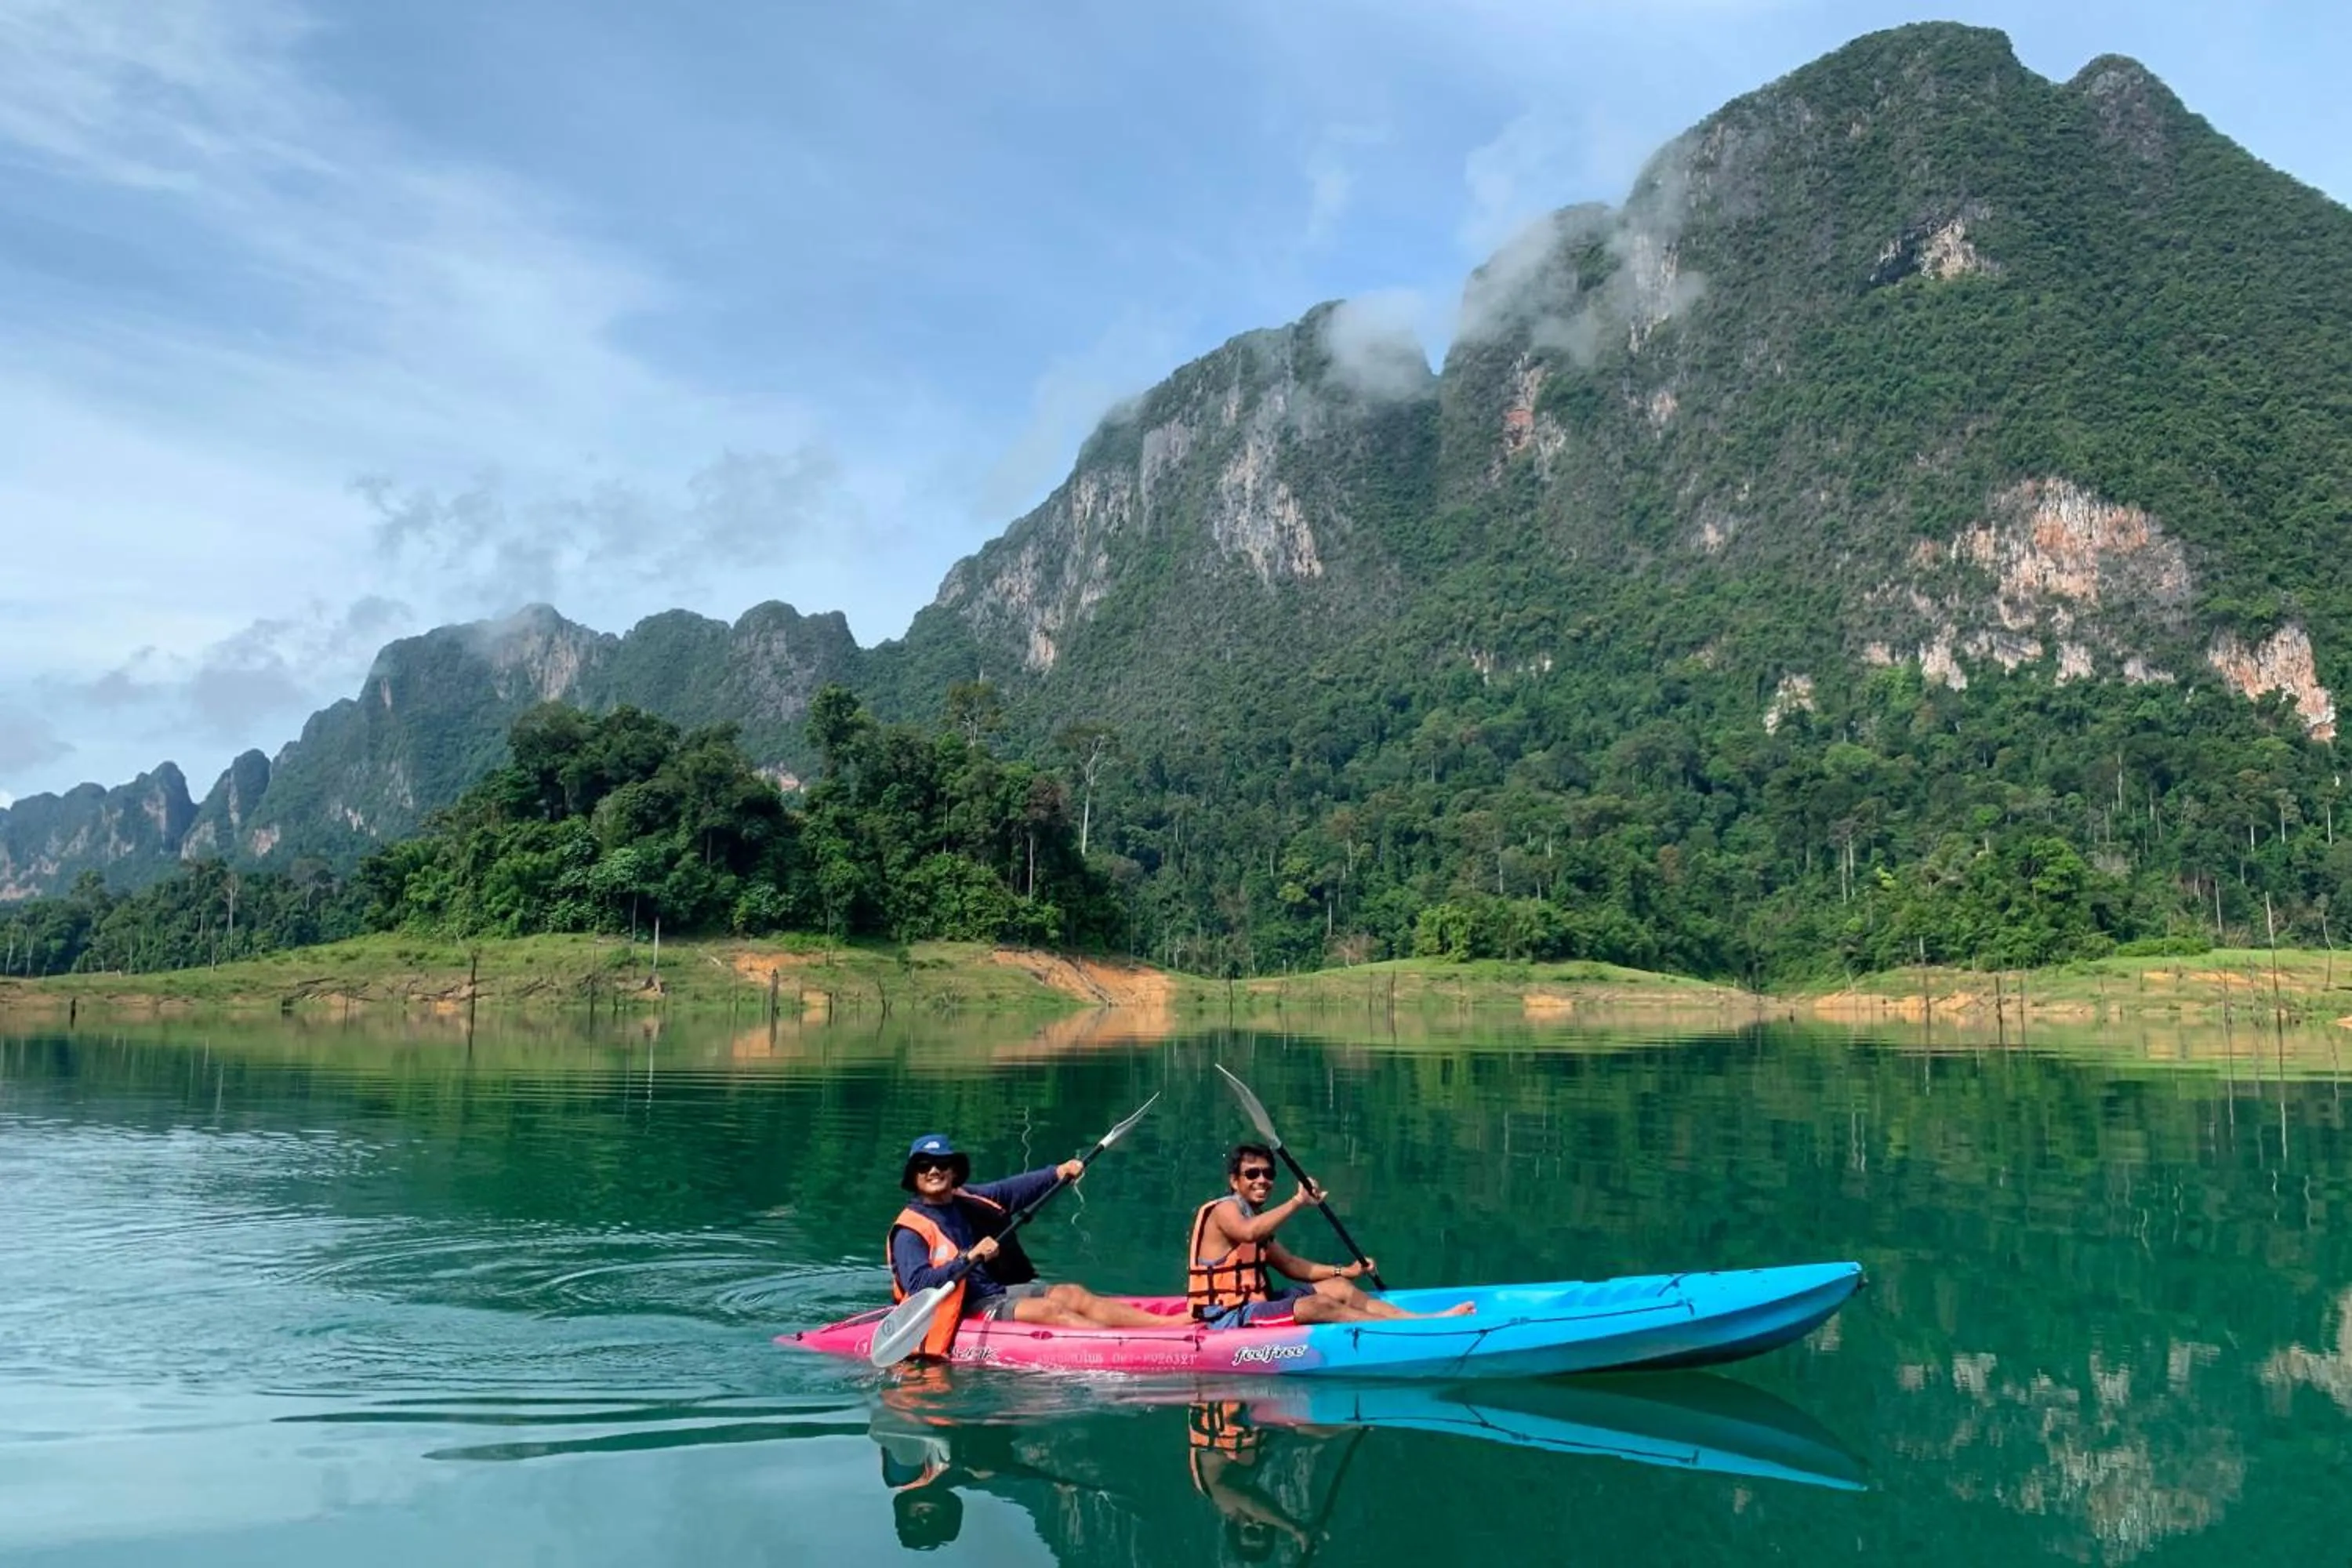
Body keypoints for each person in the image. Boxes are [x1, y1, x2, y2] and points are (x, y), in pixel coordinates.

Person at [887, 1131, 1165, 1359]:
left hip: (991, 1293)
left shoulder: (965, 1199)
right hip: (963, 1308)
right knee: (1050, 1310)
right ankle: (1130, 1349)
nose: (934, 1170)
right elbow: (918, 1284)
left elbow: (1010, 1190)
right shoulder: (910, 1230)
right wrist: (967, 1258)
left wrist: (1058, 1172)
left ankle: (1167, 1327)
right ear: (914, 1176)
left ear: (953, 1171)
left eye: (942, 1164)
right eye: (924, 1166)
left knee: (1071, 1294)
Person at [1186, 1142, 1475, 1327]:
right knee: (1321, 1304)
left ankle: (1421, 1322)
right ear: (1234, 1181)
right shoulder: (1223, 1211)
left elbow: (1291, 1265)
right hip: (1226, 1317)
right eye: (1252, 1174)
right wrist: (1298, 1202)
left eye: (1268, 1173)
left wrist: (1346, 1271)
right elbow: (1248, 1234)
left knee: (1337, 1288)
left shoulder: (1256, 1217)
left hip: (1255, 1304)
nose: (1262, 1180)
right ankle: (1395, 1333)